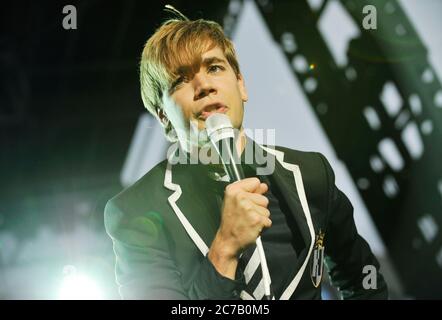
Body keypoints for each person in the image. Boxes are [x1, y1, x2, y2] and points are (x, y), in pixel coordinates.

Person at [104, 7, 388, 300]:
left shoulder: (311, 175)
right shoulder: (134, 212)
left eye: (214, 68)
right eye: (180, 80)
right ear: (164, 118)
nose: (204, 86)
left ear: (241, 84)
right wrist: (225, 248)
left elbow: (364, 282)